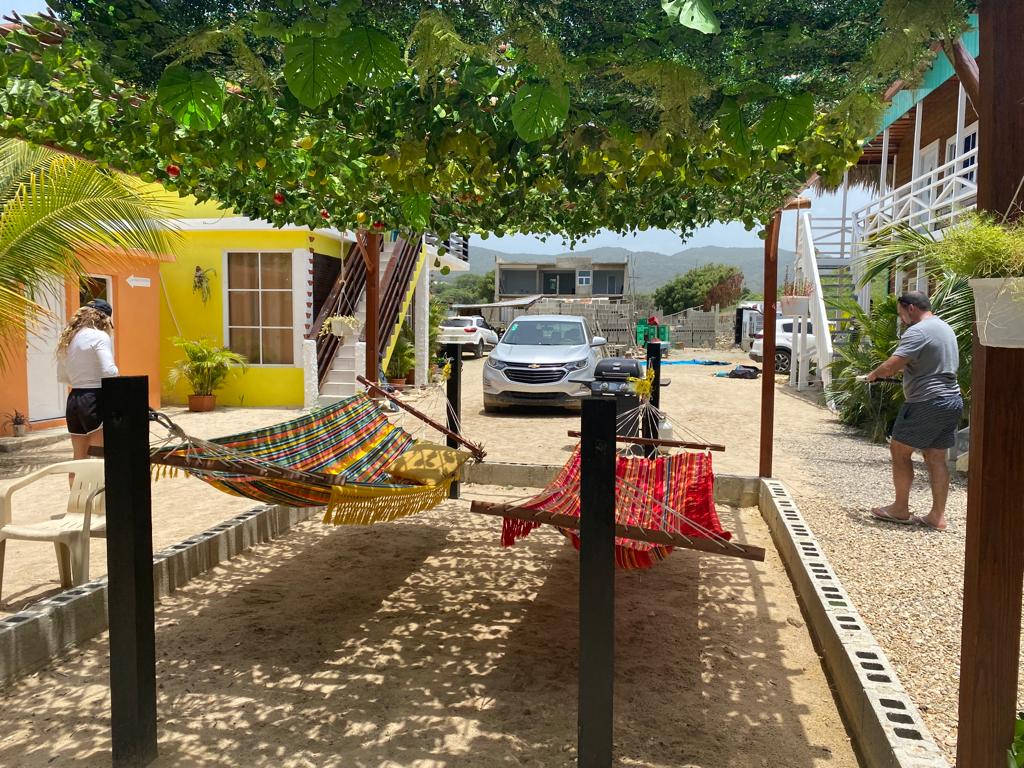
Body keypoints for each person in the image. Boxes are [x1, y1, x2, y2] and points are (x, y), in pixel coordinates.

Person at [866, 291, 962, 531]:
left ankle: (900, 509)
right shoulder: (944, 328)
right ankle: (937, 517)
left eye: (901, 314)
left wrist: (875, 374)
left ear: (910, 308)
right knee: (936, 456)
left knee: (899, 449)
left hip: (926, 401)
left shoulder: (918, 330)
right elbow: (928, 363)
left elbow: (892, 365)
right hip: (951, 400)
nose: (901, 319)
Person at [57, 299, 118, 462]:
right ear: (104, 318)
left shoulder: (69, 338)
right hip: (94, 397)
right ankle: (101, 489)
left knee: (79, 458)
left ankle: (76, 489)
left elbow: (63, 376)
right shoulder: (99, 336)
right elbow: (109, 371)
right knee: (101, 457)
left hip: (75, 398)